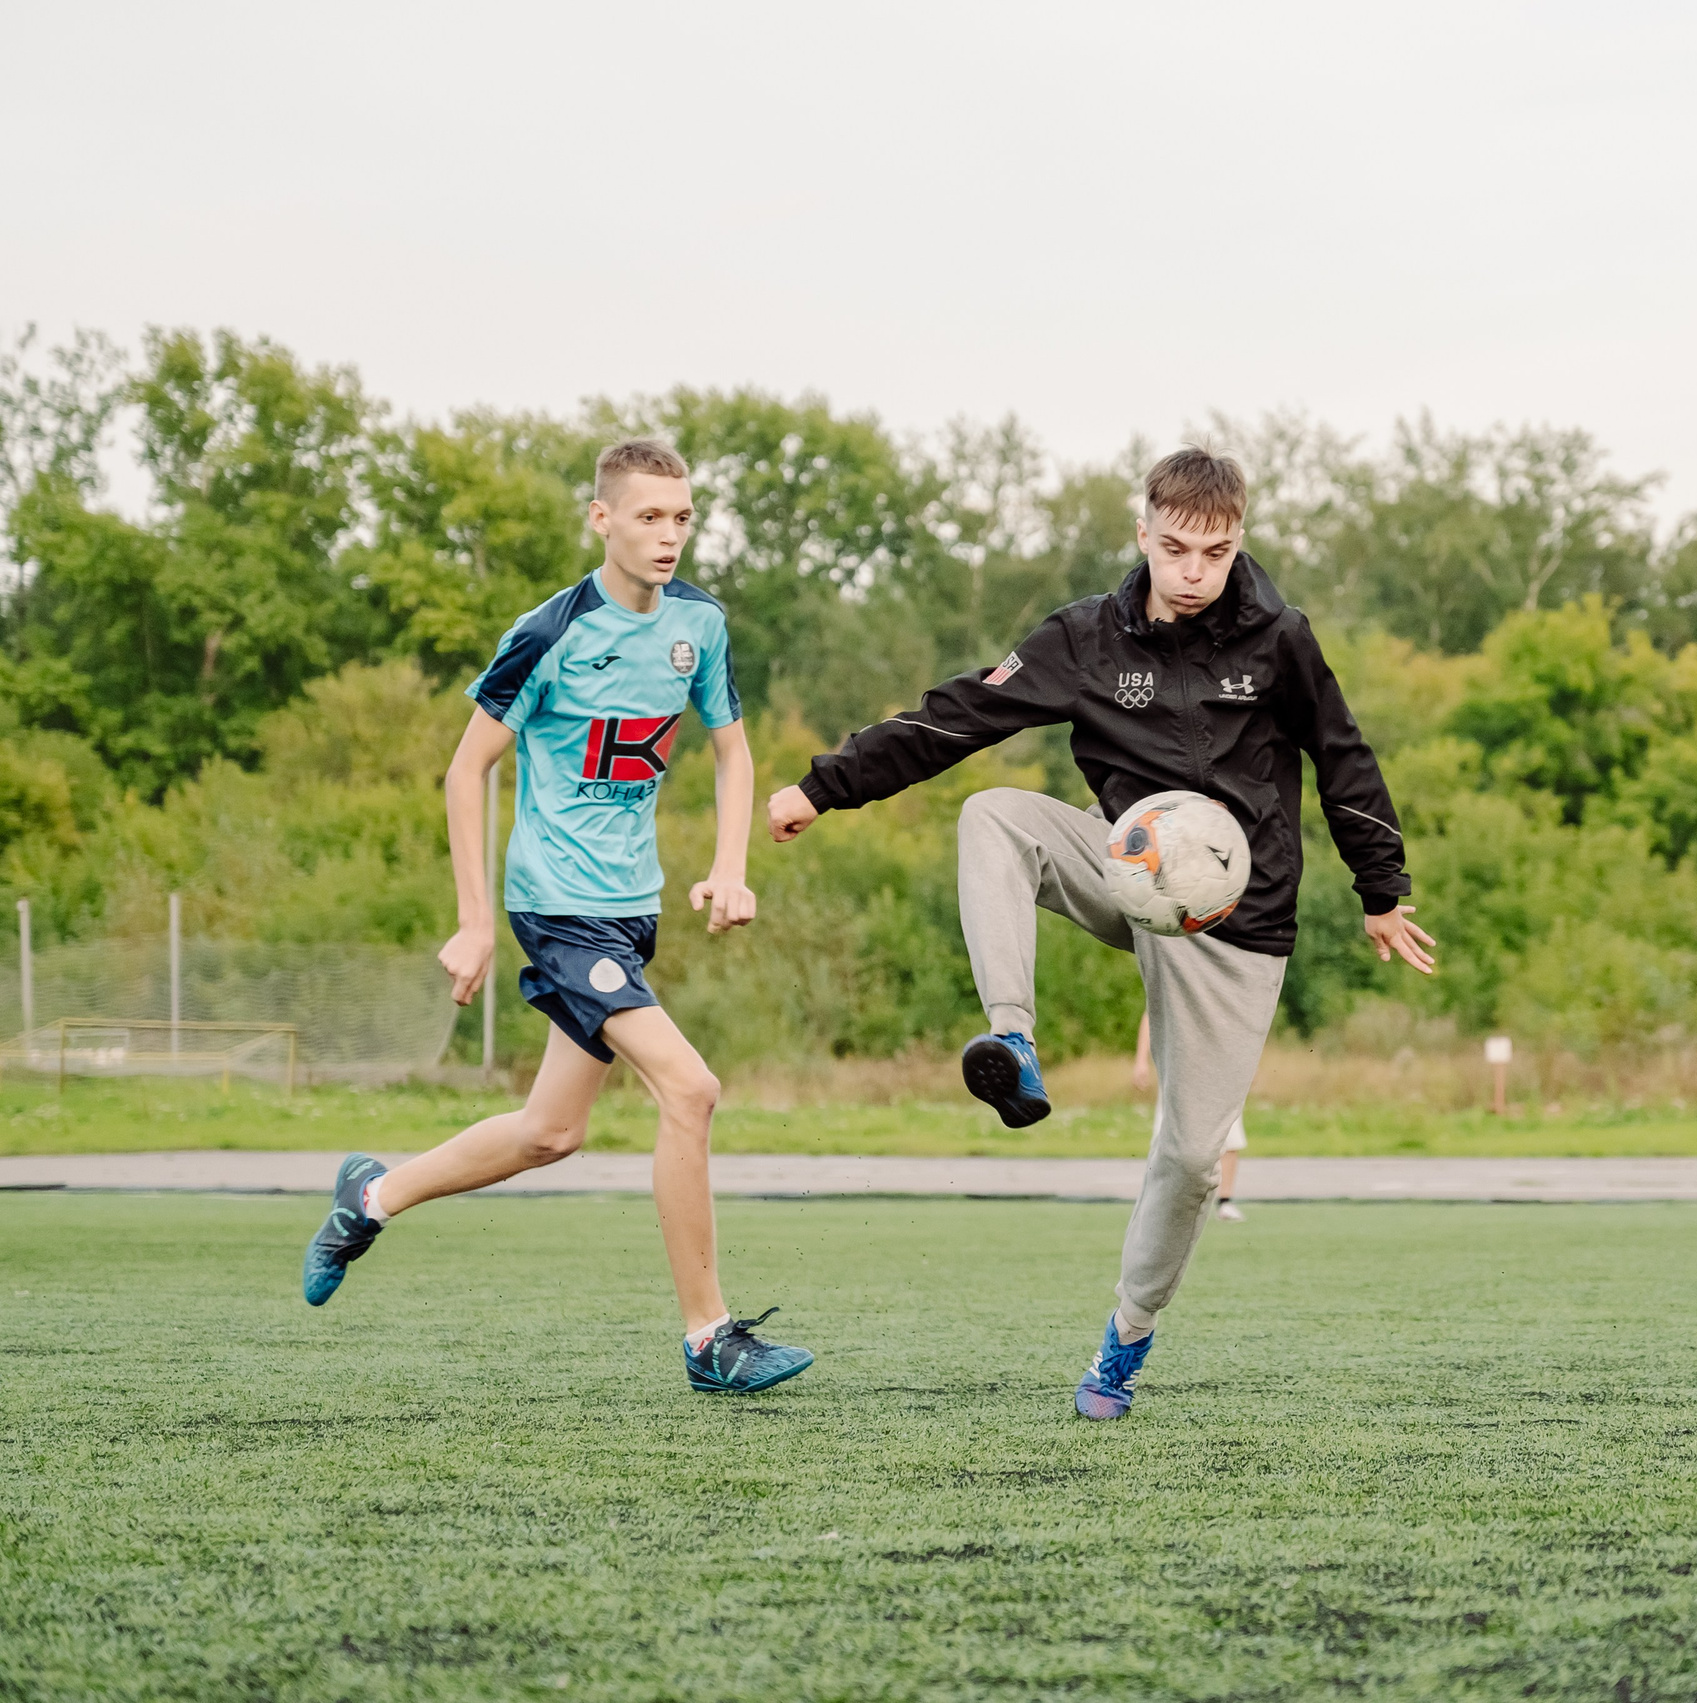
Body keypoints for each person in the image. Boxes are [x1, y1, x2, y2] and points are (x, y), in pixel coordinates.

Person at [767, 447, 1432, 1419]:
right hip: (1127, 873)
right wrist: (824, 786)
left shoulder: (1280, 639)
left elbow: (1343, 756)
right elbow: (959, 715)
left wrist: (1382, 887)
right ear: (1143, 534)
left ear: (1237, 538)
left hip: (1238, 923)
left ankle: (1124, 1337)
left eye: (1214, 550)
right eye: (1174, 547)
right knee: (994, 815)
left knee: (1196, 1156)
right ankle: (1014, 1038)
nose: (1194, 568)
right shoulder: (1084, 639)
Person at [300, 439, 814, 1396]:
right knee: (690, 1088)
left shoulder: (700, 624)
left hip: (629, 912)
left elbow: (734, 753)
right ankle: (709, 1339)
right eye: (650, 516)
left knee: (551, 1133)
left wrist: (730, 865)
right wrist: (476, 919)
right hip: (557, 907)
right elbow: (466, 769)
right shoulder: (549, 632)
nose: (669, 535)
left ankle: (368, 1197)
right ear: (602, 518)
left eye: (683, 517)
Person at [1135, 1012, 1244, 1220]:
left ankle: (1225, 1201)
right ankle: (1160, 1200)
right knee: (1165, 1135)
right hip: (1179, 1064)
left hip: (1220, 1065)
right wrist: (1141, 1060)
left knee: (1231, 1130)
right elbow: (1151, 1013)